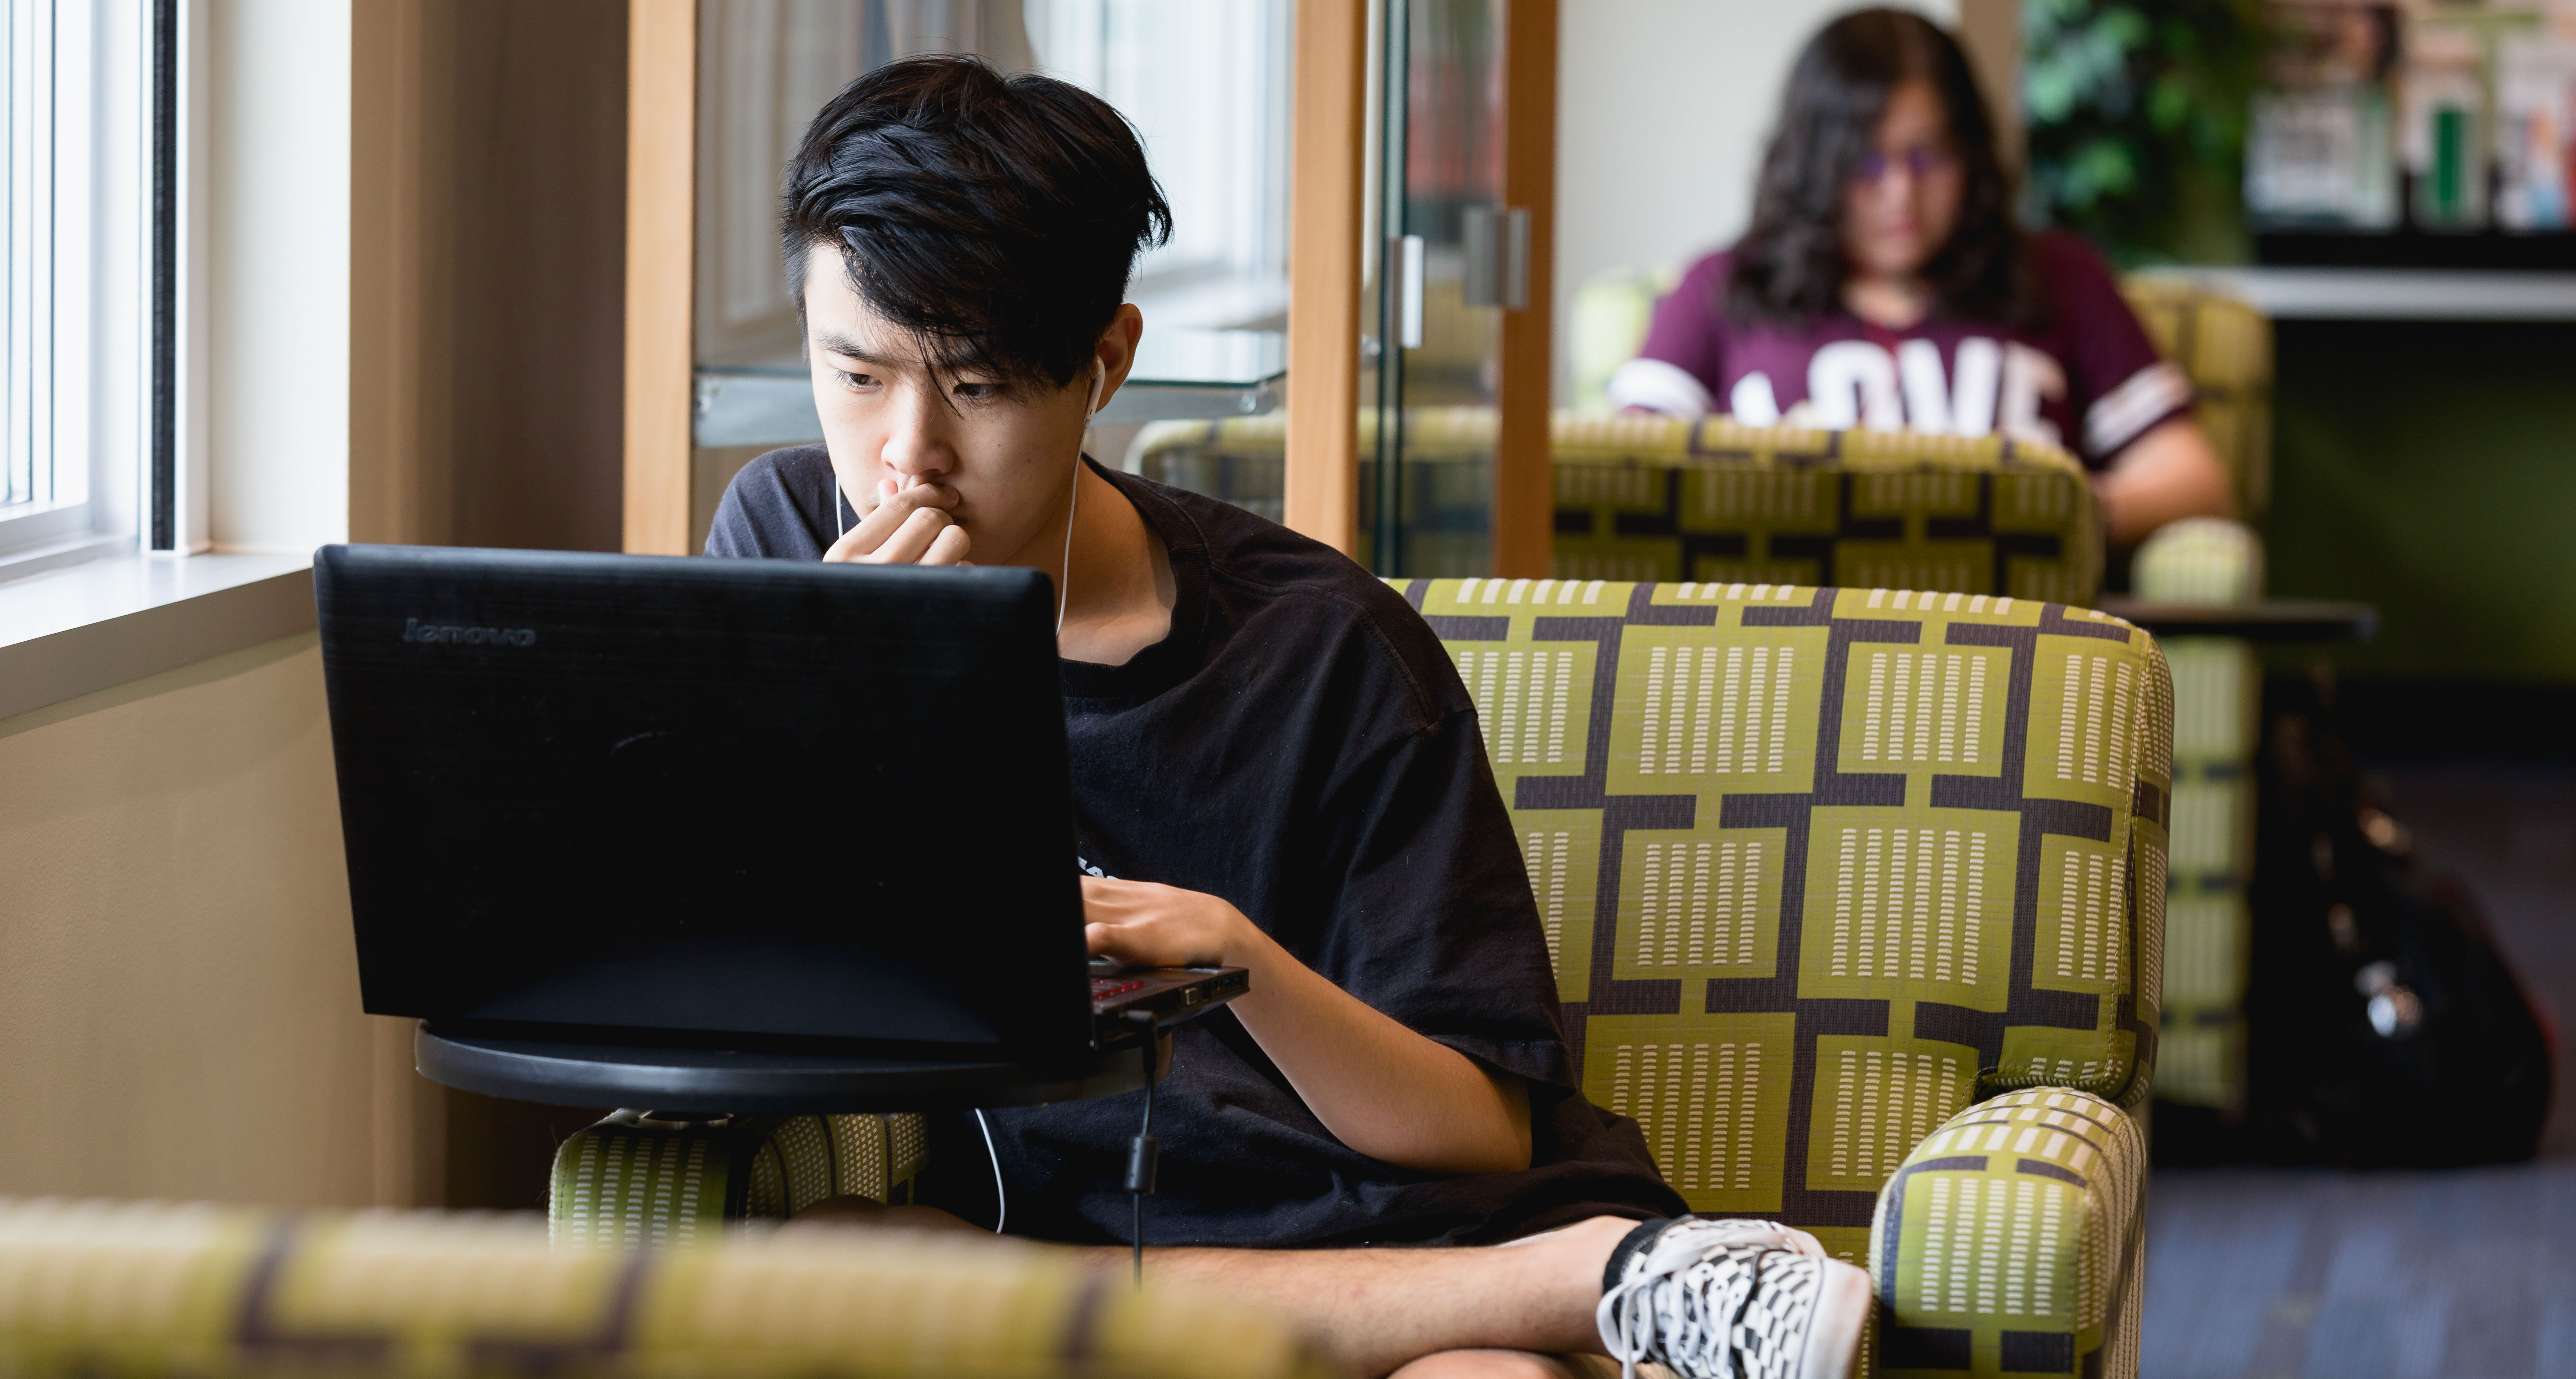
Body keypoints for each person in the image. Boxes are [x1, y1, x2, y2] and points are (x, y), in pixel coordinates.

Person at [703, 56, 1872, 1379]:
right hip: (1084, 1244)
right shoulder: (792, 546)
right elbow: (724, 975)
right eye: (855, 375)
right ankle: (1598, 1284)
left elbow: (1480, 1134)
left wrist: (1235, 954)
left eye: (976, 389)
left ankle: (1569, 1283)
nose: (906, 450)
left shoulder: (1324, 650)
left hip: (1425, 1231)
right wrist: (832, 699)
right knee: (826, 1259)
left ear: (1106, 362)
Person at [1604, 8, 2232, 545]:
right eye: (1866, 162)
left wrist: (2053, 512)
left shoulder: (2058, 276)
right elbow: (1626, 476)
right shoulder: (1725, 285)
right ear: (1815, 165)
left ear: (1971, 156)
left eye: (1928, 157)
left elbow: (2194, 478)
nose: (1899, 193)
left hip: (2010, 653)